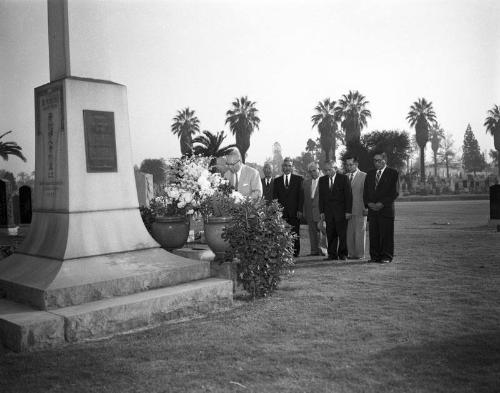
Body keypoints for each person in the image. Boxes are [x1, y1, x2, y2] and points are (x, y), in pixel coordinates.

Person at [363, 151, 399, 263]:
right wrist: (368, 203)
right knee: (374, 234)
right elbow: (365, 191)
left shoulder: (393, 173)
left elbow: (395, 192)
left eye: (379, 160)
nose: (376, 163)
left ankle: (386, 257)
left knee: (386, 234)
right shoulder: (369, 173)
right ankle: (375, 257)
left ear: (385, 160)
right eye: (375, 160)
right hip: (372, 210)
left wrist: (381, 203)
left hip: (386, 210)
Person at [318, 161, 352, 261]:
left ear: (335, 168)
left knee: (342, 235)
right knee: (330, 234)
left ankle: (343, 254)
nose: (327, 172)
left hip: (341, 212)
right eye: (325, 170)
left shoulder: (343, 178)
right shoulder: (322, 180)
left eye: (329, 169)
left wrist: (348, 211)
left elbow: (348, 196)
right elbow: (321, 198)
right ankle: (332, 254)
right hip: (328, 213)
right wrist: (322, 212)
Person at [273, 157, 304, 257]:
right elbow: (275, 197)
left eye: (289, 166)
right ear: (282, 167)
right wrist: (276, 211)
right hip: (282, 213)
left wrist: (300, 209)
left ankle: (295, 252)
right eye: (285, 165)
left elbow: (301, 196)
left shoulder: (299, 179)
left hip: (295, 212)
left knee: (295, 233)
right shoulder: (277, 181)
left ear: (292, 167)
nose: (287, 168)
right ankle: (283, 252)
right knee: (282, 233)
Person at [344, 155, 367, 259]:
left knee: (359, 234)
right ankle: (351, 254)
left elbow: (367, 193)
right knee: (349, 234)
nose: (348, 167)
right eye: (347, 165)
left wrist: (366, 208)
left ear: (356, 164)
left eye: (351, 164)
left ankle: (360, 255)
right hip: (347, 211)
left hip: (360, 209)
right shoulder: (345, 177)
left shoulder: (364, 176)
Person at [302, 162, 324, 256]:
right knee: (312, 232)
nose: (313, 173)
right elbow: (304, 199)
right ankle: (313, 251)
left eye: (314, 170)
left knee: (322, 232)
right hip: (309, 211)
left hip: (320, 210)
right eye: (311, 171)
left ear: (319, 169)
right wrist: (304, 211)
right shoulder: (305, 182)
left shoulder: (324, 181)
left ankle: (323, 251)